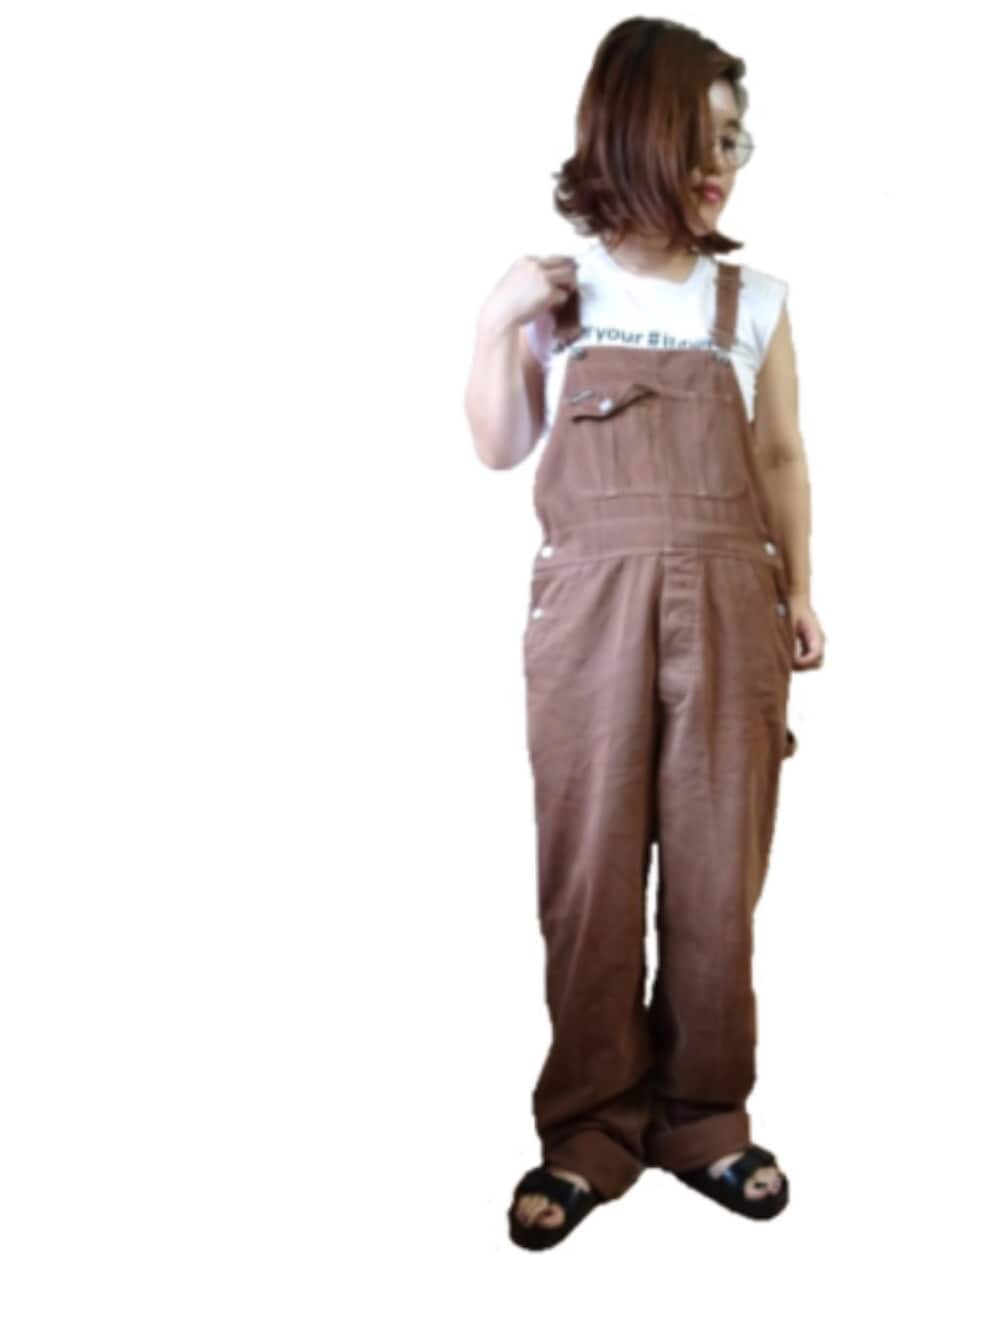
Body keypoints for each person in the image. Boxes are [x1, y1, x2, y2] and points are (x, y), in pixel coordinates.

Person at [464, 17, 825, 1250]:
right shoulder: (559, 290)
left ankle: (703, 1117)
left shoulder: (753, 299)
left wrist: (801, 589)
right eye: (704, 137)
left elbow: (780, 454)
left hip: (732, 597)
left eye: (736, 141)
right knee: (590, 873)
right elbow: (499, 445)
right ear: (634, 131)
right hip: (588, 610)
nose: (725, 164)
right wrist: (493, 324)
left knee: (720, 874)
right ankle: (588, 1128)